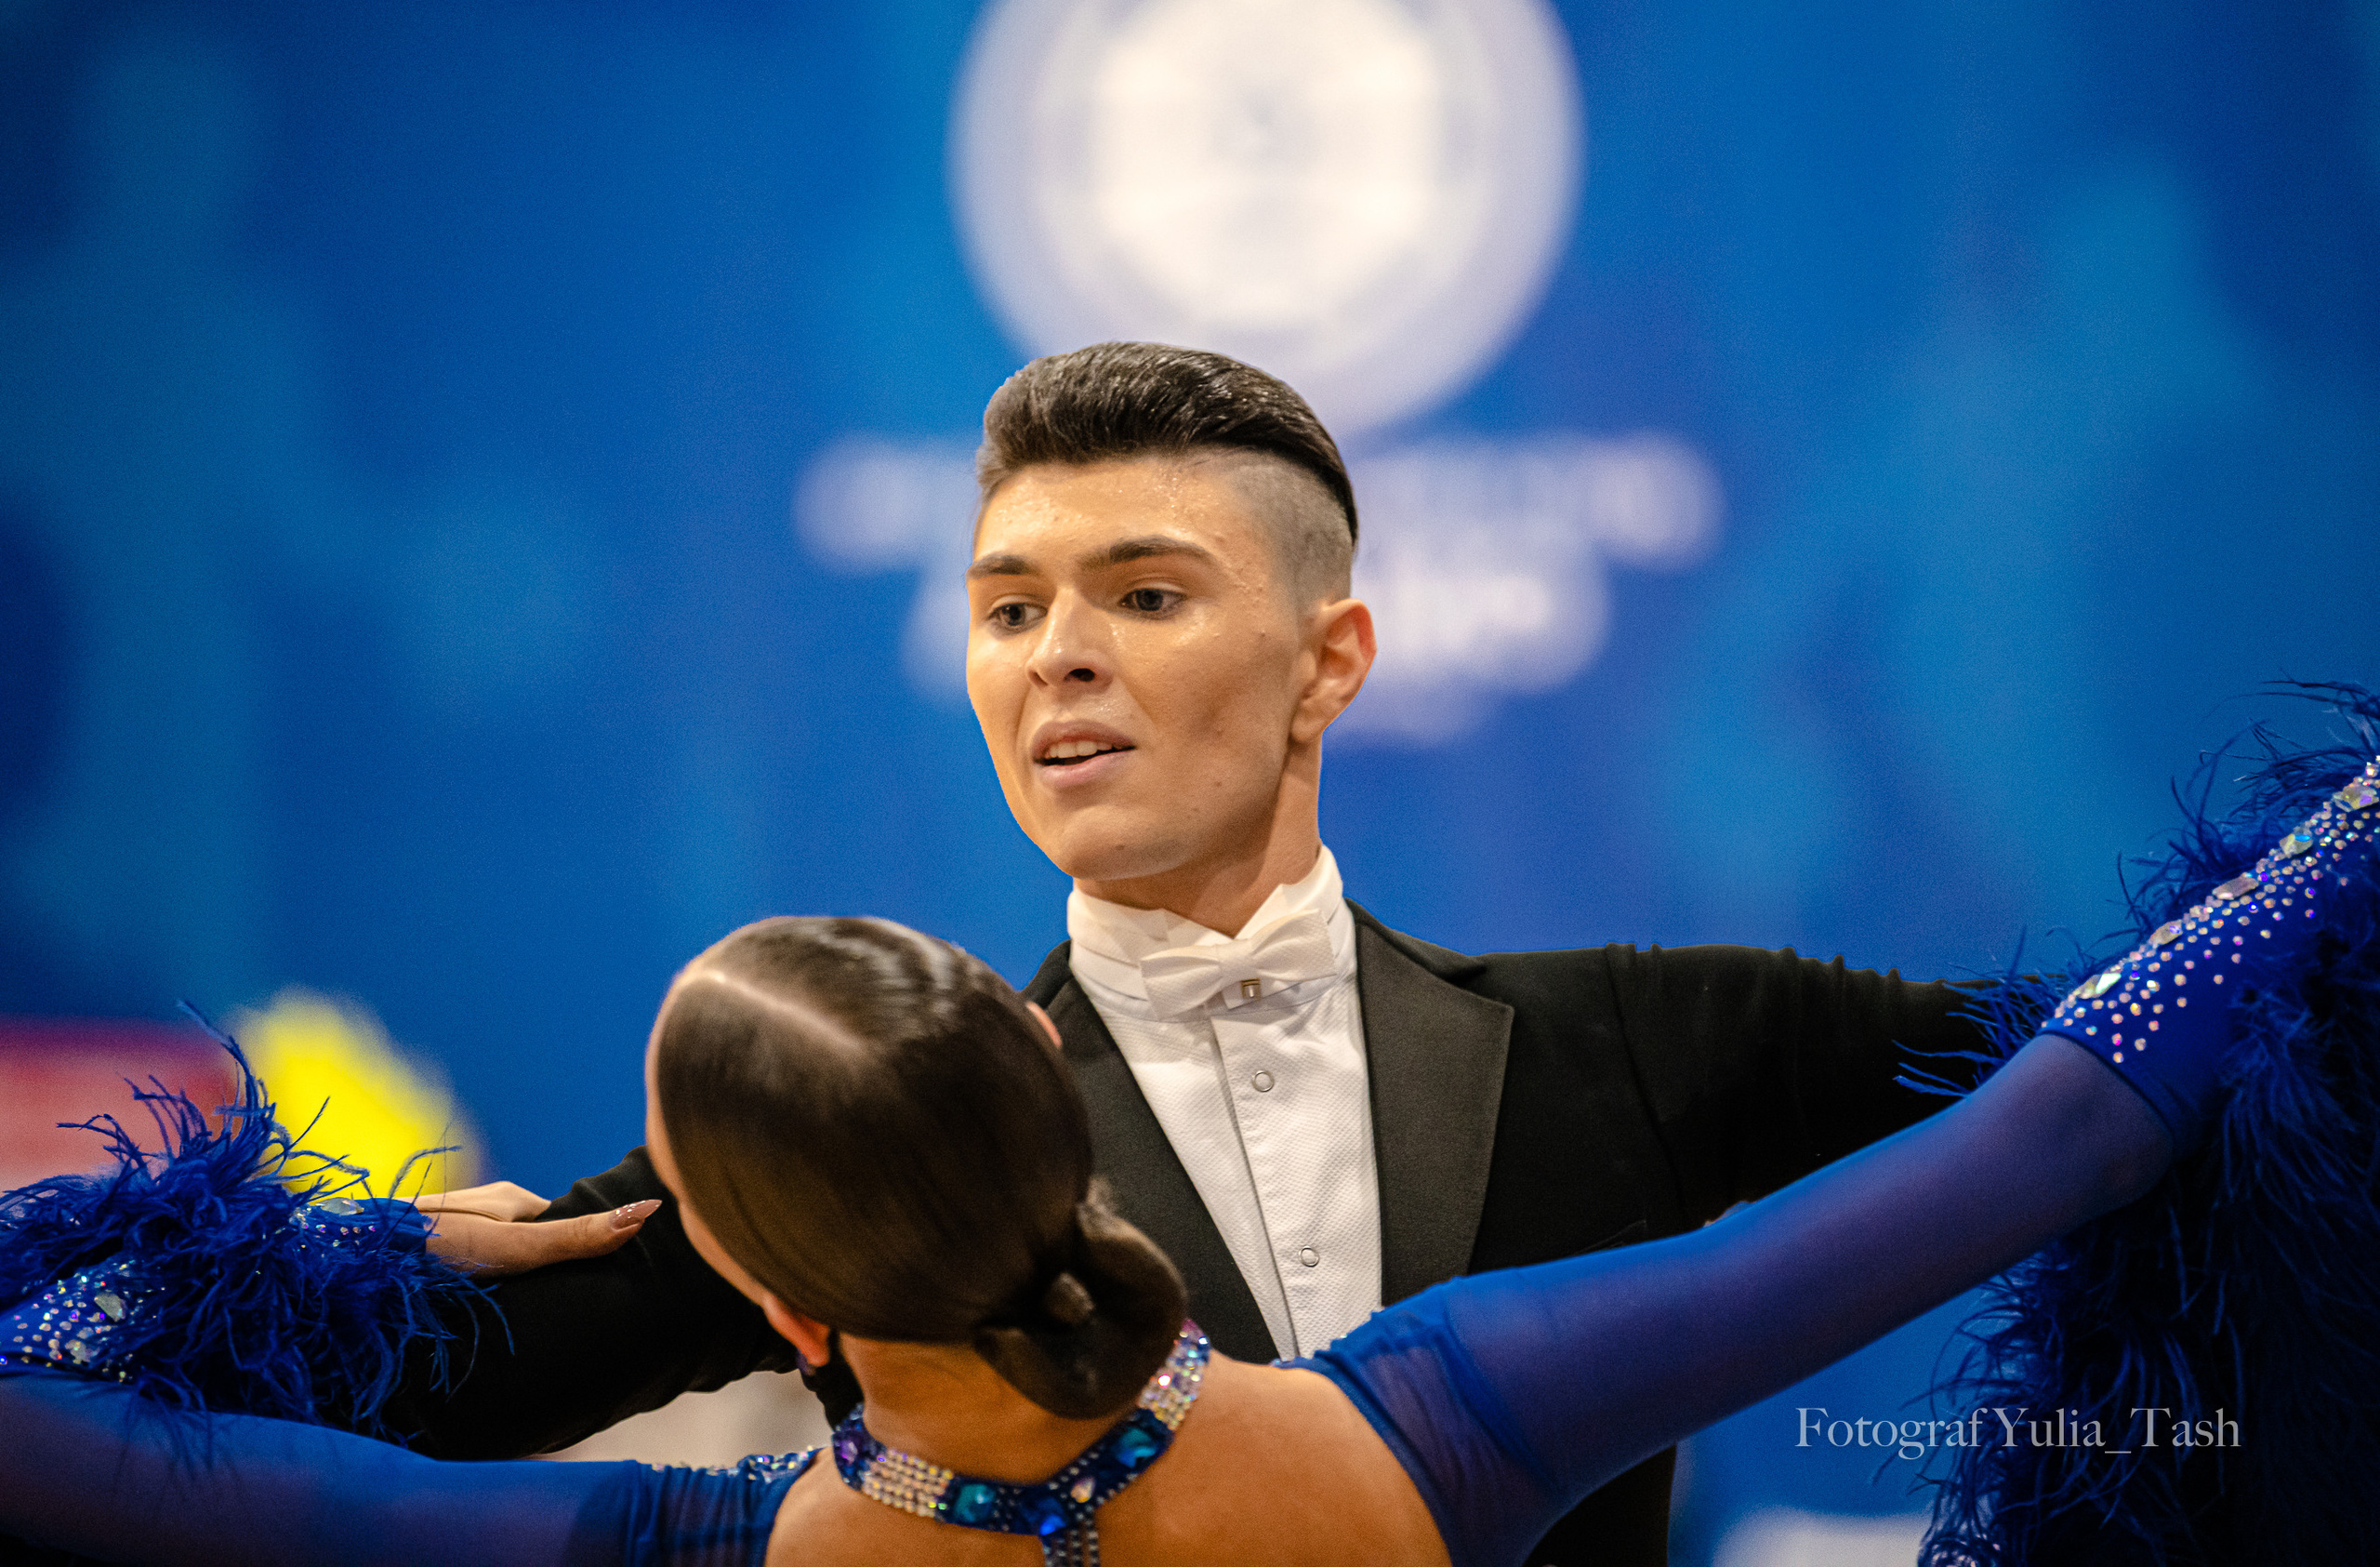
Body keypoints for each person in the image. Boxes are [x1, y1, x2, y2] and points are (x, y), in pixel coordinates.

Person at [390, 344, 1992, 1566]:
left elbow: (2131, 1085)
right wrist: (337, 1263)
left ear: (1330, 662)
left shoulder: (1647, 1035)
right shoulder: (885, 1128)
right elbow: (371, 1406)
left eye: (1144, 594)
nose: (1060, 655)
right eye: (1009, 612)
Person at [2, 751, 2374, 1566]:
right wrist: (2353, 822)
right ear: (1055, 1121)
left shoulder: (647, 1537)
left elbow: (76, 1437)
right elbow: (2071, 1112)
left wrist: (322, 1236)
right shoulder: (1456, 1420)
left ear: (740, 1270)